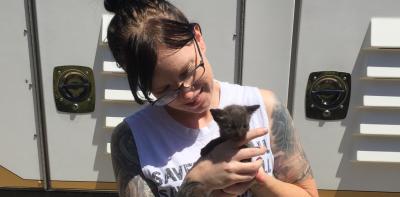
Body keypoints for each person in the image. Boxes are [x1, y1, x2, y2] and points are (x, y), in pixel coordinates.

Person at [105, 0, 319, 196]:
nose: (188, 93)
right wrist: (197, 183)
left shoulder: (266, 106)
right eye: (165, 90)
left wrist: (259, 179)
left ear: (198, 38)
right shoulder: (132, 138)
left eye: (189, 70)